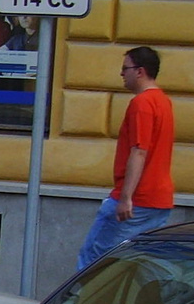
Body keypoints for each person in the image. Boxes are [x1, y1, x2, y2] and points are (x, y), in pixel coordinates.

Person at [75, 45, 175, 269]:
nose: (122, 73)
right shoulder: (163, 101)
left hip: (137, 198)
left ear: (140, 71)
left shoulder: (142, 103)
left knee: (94, 260)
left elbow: (139, 151)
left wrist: (125, 197)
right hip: (159, 198)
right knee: (140, 264)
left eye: (125, 68)